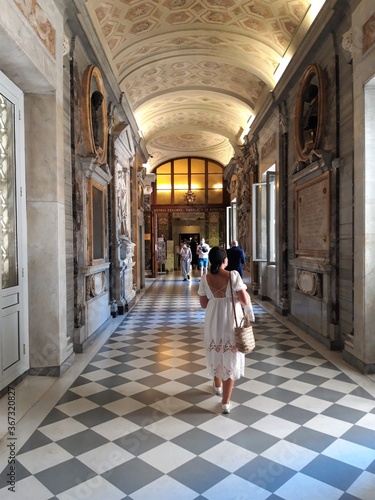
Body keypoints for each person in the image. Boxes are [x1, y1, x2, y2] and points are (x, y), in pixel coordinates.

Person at [198, 246, 255, 414]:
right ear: (224, 260)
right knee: (230, 355)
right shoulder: (233, 275)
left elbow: (203, 304)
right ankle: (225, 403)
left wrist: (216, 300)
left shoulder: (205, 278)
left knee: (216, 350)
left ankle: (217, 386)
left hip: (213, 319)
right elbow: (244, 299)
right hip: (231, 318)